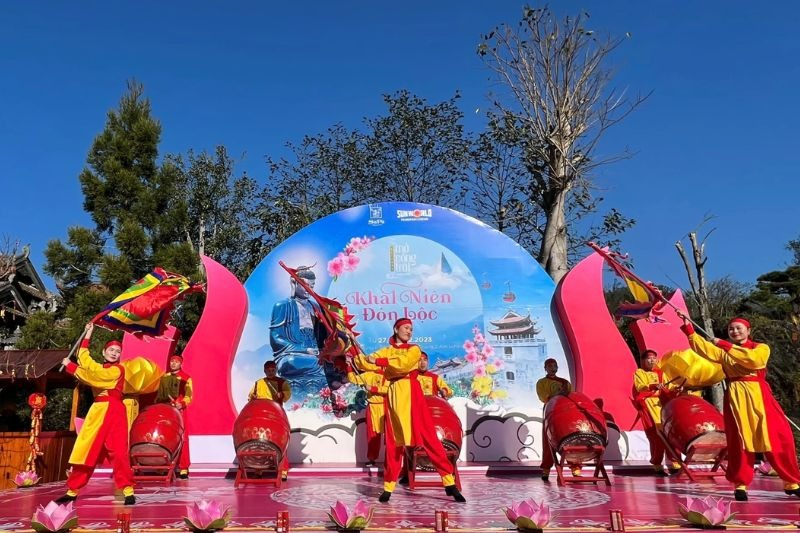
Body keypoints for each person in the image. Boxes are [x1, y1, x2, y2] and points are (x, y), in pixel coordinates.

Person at [679, 314, 800, 501]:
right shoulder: (724, 352)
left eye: (738, 328)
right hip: (736, 398)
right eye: (731, 329)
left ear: (748, 331)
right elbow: (705, 349)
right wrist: (689, 329)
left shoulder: (760, 348)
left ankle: (791, 482)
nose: (734, 331)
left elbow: (754, 361)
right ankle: (740, 484)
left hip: (760, 395)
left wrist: (725, 345)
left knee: (777, 436)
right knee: (739, 441)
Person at [364, 318, 466, 503]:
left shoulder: (414, 349)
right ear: (396, 329)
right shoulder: (387, 350)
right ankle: (388, 486)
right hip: (394, 394)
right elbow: (367, 363)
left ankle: (449, 482)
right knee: (394, 442)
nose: (409, 331)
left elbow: (402, 365)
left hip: (411, 392)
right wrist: (356, 356)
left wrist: (378, 360)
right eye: (406, 328)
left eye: (411, 329)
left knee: (429, 438)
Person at [56, 323, 136, 505]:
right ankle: (72, 491)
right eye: (111, 350)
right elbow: (85, 360)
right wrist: (88, 334)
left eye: (118, 351)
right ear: (104, 352)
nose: (114, 353)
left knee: (119, 451)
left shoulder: (117, 370)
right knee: (87, 450)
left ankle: (128, 491)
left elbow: (95, 377)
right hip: (97, 411)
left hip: (114, 411)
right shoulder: (100, 367)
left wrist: (71, 367)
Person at [269, 265, 343, 399]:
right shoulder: (283, 306)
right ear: (294, 283)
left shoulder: (315, 306)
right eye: (305, 285)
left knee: (333, 361)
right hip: (293, 355)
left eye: (312, 286)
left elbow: (323, 336)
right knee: (291, 362)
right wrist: (303, 349)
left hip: (316, 355)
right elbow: (276, 337)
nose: (309, 289)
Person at [632, 350, 681, 476]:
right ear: (643, 361)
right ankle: (657, 465)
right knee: (655, 436)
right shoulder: (640, 373)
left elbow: (668, 388)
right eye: (649, 358)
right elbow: (640, 386)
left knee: (669, 434)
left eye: (654, 358)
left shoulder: (661, 373)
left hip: (662, 405)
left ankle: (675, 464)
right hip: (648, 405)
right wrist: (653, 386)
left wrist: (676, 389)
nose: (652, 361)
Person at [335, 354, 388, 467]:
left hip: (386, 407)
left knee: (389, 435)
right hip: (373, 407)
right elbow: (353, 379)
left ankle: (390, 459)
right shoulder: (369, 375)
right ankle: (372, 458)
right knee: (372, 435)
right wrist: (349, 366)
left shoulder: (390, 375)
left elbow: (389, 389)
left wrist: (373, 388)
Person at [536, 358, 581, 481]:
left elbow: (572, 397)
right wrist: (558, 394)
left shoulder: (565, 382)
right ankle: (546, 469)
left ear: (557, 367)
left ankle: (575, 467)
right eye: (549, 366)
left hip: (564, 413)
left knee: (569, 439)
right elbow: (543, 397)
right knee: (548, 441)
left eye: (554, 366)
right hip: (550, 412)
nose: (552, 368)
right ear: (545, 368)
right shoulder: (541, 382)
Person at [248, 360, 292, 480]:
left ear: (276, 370)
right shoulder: (258, 383)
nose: (271, 372)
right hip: (262, 417)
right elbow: (251, 396)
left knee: (281, 442)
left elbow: (288, 393)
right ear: (264, 371)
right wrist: (253, 397)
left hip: (276, 416)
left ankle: (283, 470)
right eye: (268, 370)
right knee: (260, 442)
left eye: (273, 370)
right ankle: (258, 469)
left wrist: (282, 394)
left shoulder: (282, 382)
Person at [155, 352, 193, 479]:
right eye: (172, 361)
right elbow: (160, 394)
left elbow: (189, 395)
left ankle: (183, 467)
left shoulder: (186, 378)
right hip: (167, 410)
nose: (173, 364)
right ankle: (163, 466)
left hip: (180, 410)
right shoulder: (164, 377)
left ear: (181, 364)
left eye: (176, 362)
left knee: (182, 437)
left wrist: (182, 403)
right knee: (165, 436)